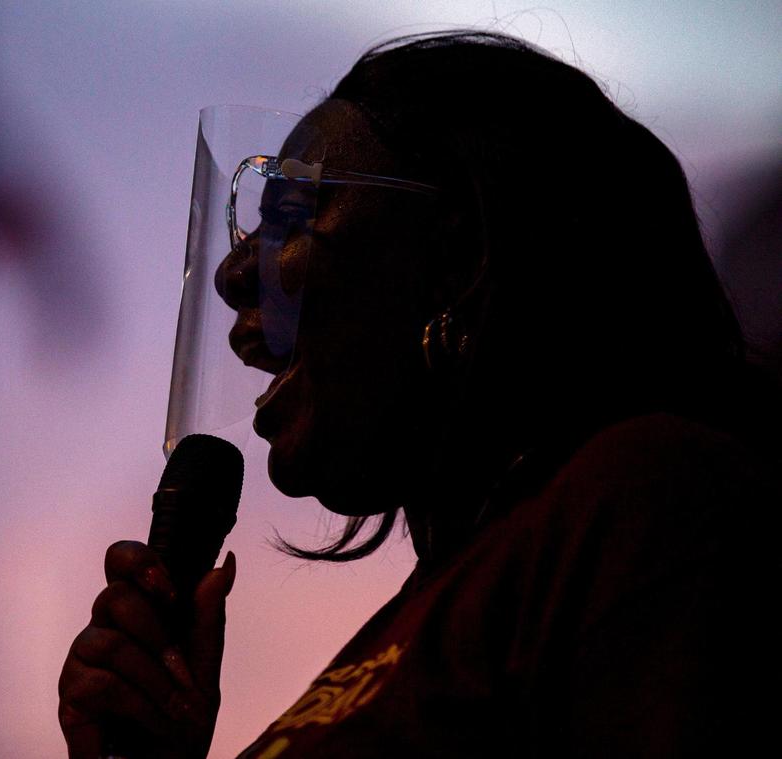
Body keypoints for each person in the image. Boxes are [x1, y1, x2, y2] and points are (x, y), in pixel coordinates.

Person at [58, 31, 782, 758]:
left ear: (457, 255)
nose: (234, 273)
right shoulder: (434, 601)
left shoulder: (646, 499)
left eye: (290, 220)